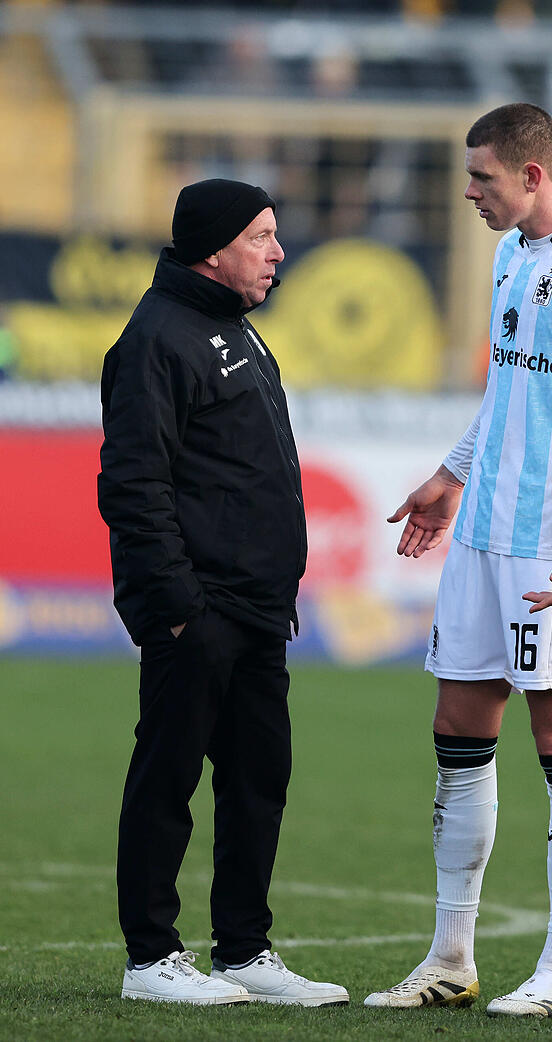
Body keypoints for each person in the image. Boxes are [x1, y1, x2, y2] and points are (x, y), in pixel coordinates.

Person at [364, 103, 552, 1018]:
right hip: (483, 533)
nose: (470, 191)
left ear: (533, 175)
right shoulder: (509, 256)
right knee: (459, 738)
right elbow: (508, 386)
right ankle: (450, 958)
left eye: (483, 177)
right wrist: (451, 477)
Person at [98, 178, 349, 1008]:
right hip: (196, 609)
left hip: (255, 609)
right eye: (261, 238)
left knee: (256, 779)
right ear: (214, 248)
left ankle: (244, 951)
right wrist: (175, 606)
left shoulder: (236, 327)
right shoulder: (155, 339)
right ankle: (151, 960)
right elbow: (134, 485)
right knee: (167, 777)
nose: (278, 253)